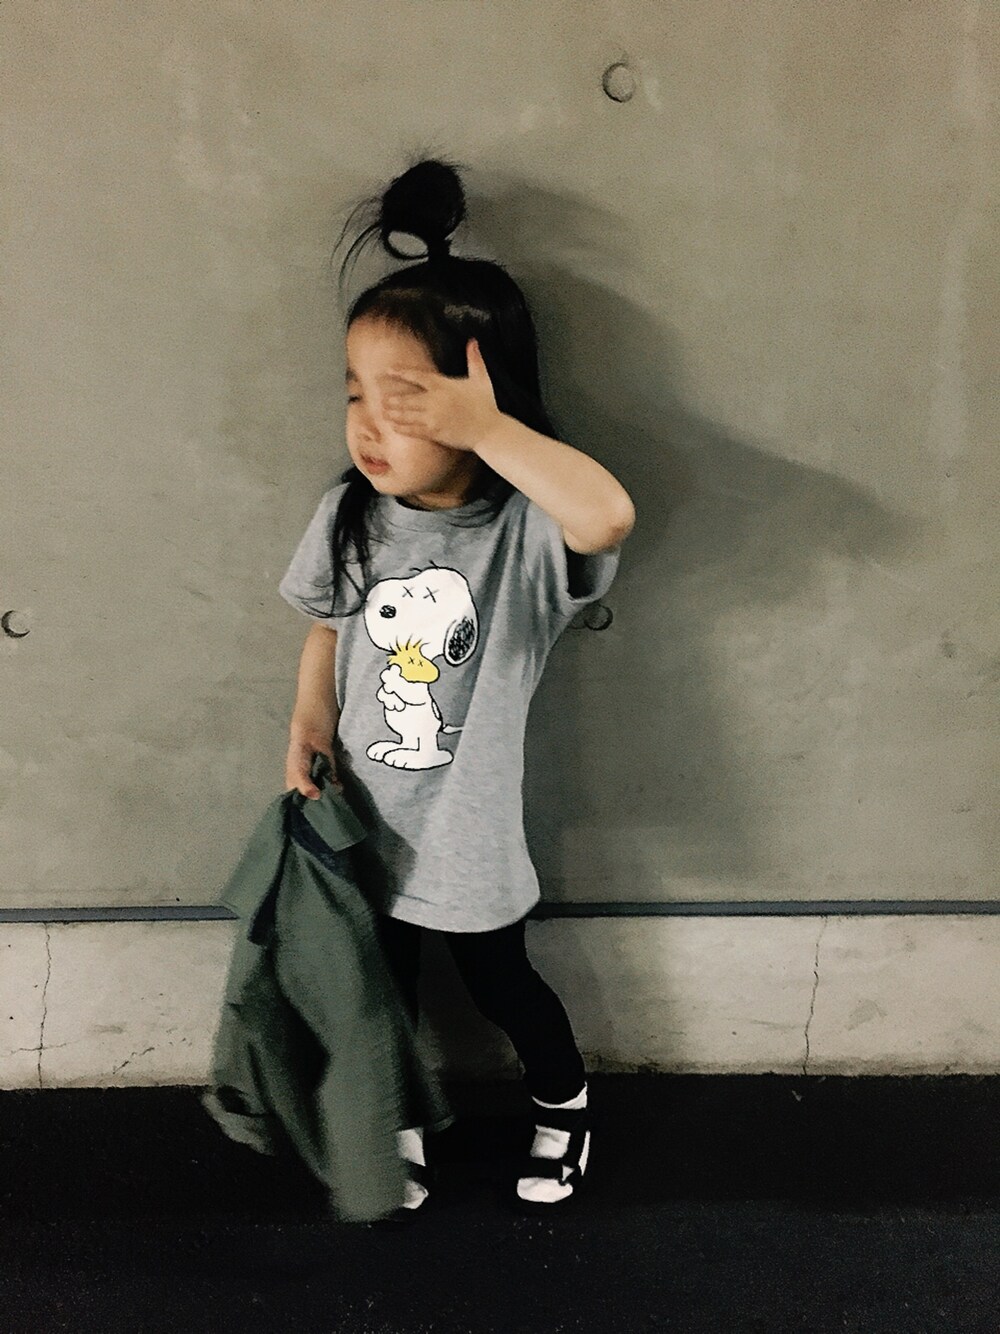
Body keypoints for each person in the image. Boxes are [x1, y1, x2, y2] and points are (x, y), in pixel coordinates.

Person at [278, 156, 635, 1214]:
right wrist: (305, 723)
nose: (368, 424)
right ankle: (393, 1122)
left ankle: (565, 1105)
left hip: (467, 824)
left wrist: (488, 433)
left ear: (485, 402)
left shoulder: (525, 534)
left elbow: (608, 515)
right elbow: (328, 626)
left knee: (498, 984)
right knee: (382, 982)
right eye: (356, 394)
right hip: (362, 808)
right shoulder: (349, 512)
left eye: (405, 402)